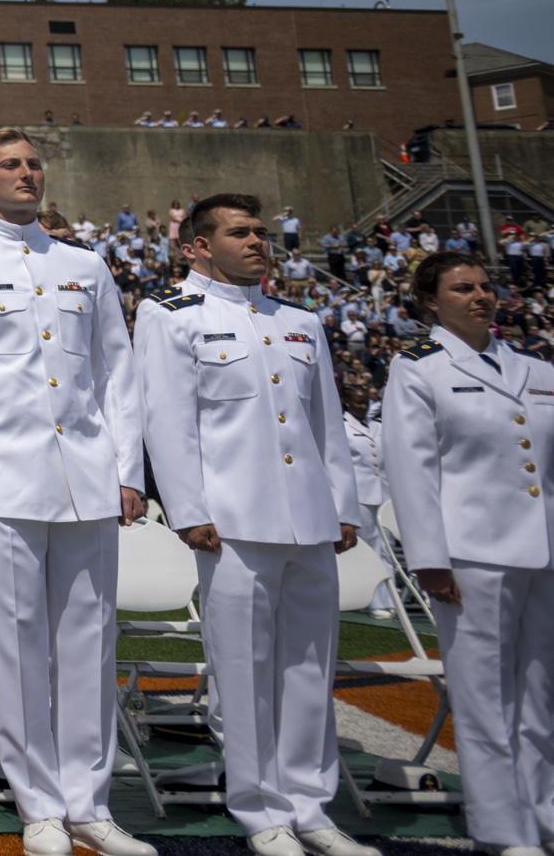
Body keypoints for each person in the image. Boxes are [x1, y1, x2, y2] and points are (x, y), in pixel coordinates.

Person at [0, 129, 151, 856]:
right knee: (16, 648)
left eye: (33, 163)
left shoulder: (86, 265)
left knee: (89, 641)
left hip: (84, 477)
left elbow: (117, 373)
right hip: (1, 482)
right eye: (9, 165)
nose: (25, 173)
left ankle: (91, 800)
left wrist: (127, 469)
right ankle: (39, 802)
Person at [135, 195, 370, 856]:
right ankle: (260, 806)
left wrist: (342, 505)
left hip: (308, 517)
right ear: (197, 246)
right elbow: (167, 421)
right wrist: (189, 509)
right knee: (242, 668)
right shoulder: (171, 317)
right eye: (240, 231)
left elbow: (325, 422)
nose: (257, 240)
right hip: (231, 521)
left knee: (308, 667)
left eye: (261, 231)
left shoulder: (298, 318)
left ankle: (311, 805)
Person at [380, 252, 554, 856]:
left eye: (485, 287)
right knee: (485, 699)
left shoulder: (534, 368)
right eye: (462, 288)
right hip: (471, 556)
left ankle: (544, 812)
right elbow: (410, 469)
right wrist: (430, 556)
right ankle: (503, 829)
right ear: (431, 300)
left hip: (544, 554)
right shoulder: (418, 368)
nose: (479, 296)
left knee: (542, 697)